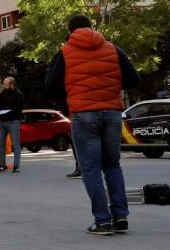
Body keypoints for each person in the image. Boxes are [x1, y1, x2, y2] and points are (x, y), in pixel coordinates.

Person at [44, 14, 140, 235]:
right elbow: (134, 79)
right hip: (113, 113)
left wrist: (71, 96)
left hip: (83, 114)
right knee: (113, 166)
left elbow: (49, 85)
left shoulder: (64, 52)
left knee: (90, 169)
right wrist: (111, 86)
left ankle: (102, 220)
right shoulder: (113, 49)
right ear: (91, 27)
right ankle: (121, 215)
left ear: (70, 30)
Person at [0, 76, 24, 173]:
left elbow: (16, 110)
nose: (4, 86)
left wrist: (3, 114)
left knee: (15, 143)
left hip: (13, 121)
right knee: (0, 142)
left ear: (12, 84)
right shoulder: (4, 92)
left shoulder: (19, 94)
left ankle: (16, 166)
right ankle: (2, 165)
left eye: (6, 84)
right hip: (2, 122)